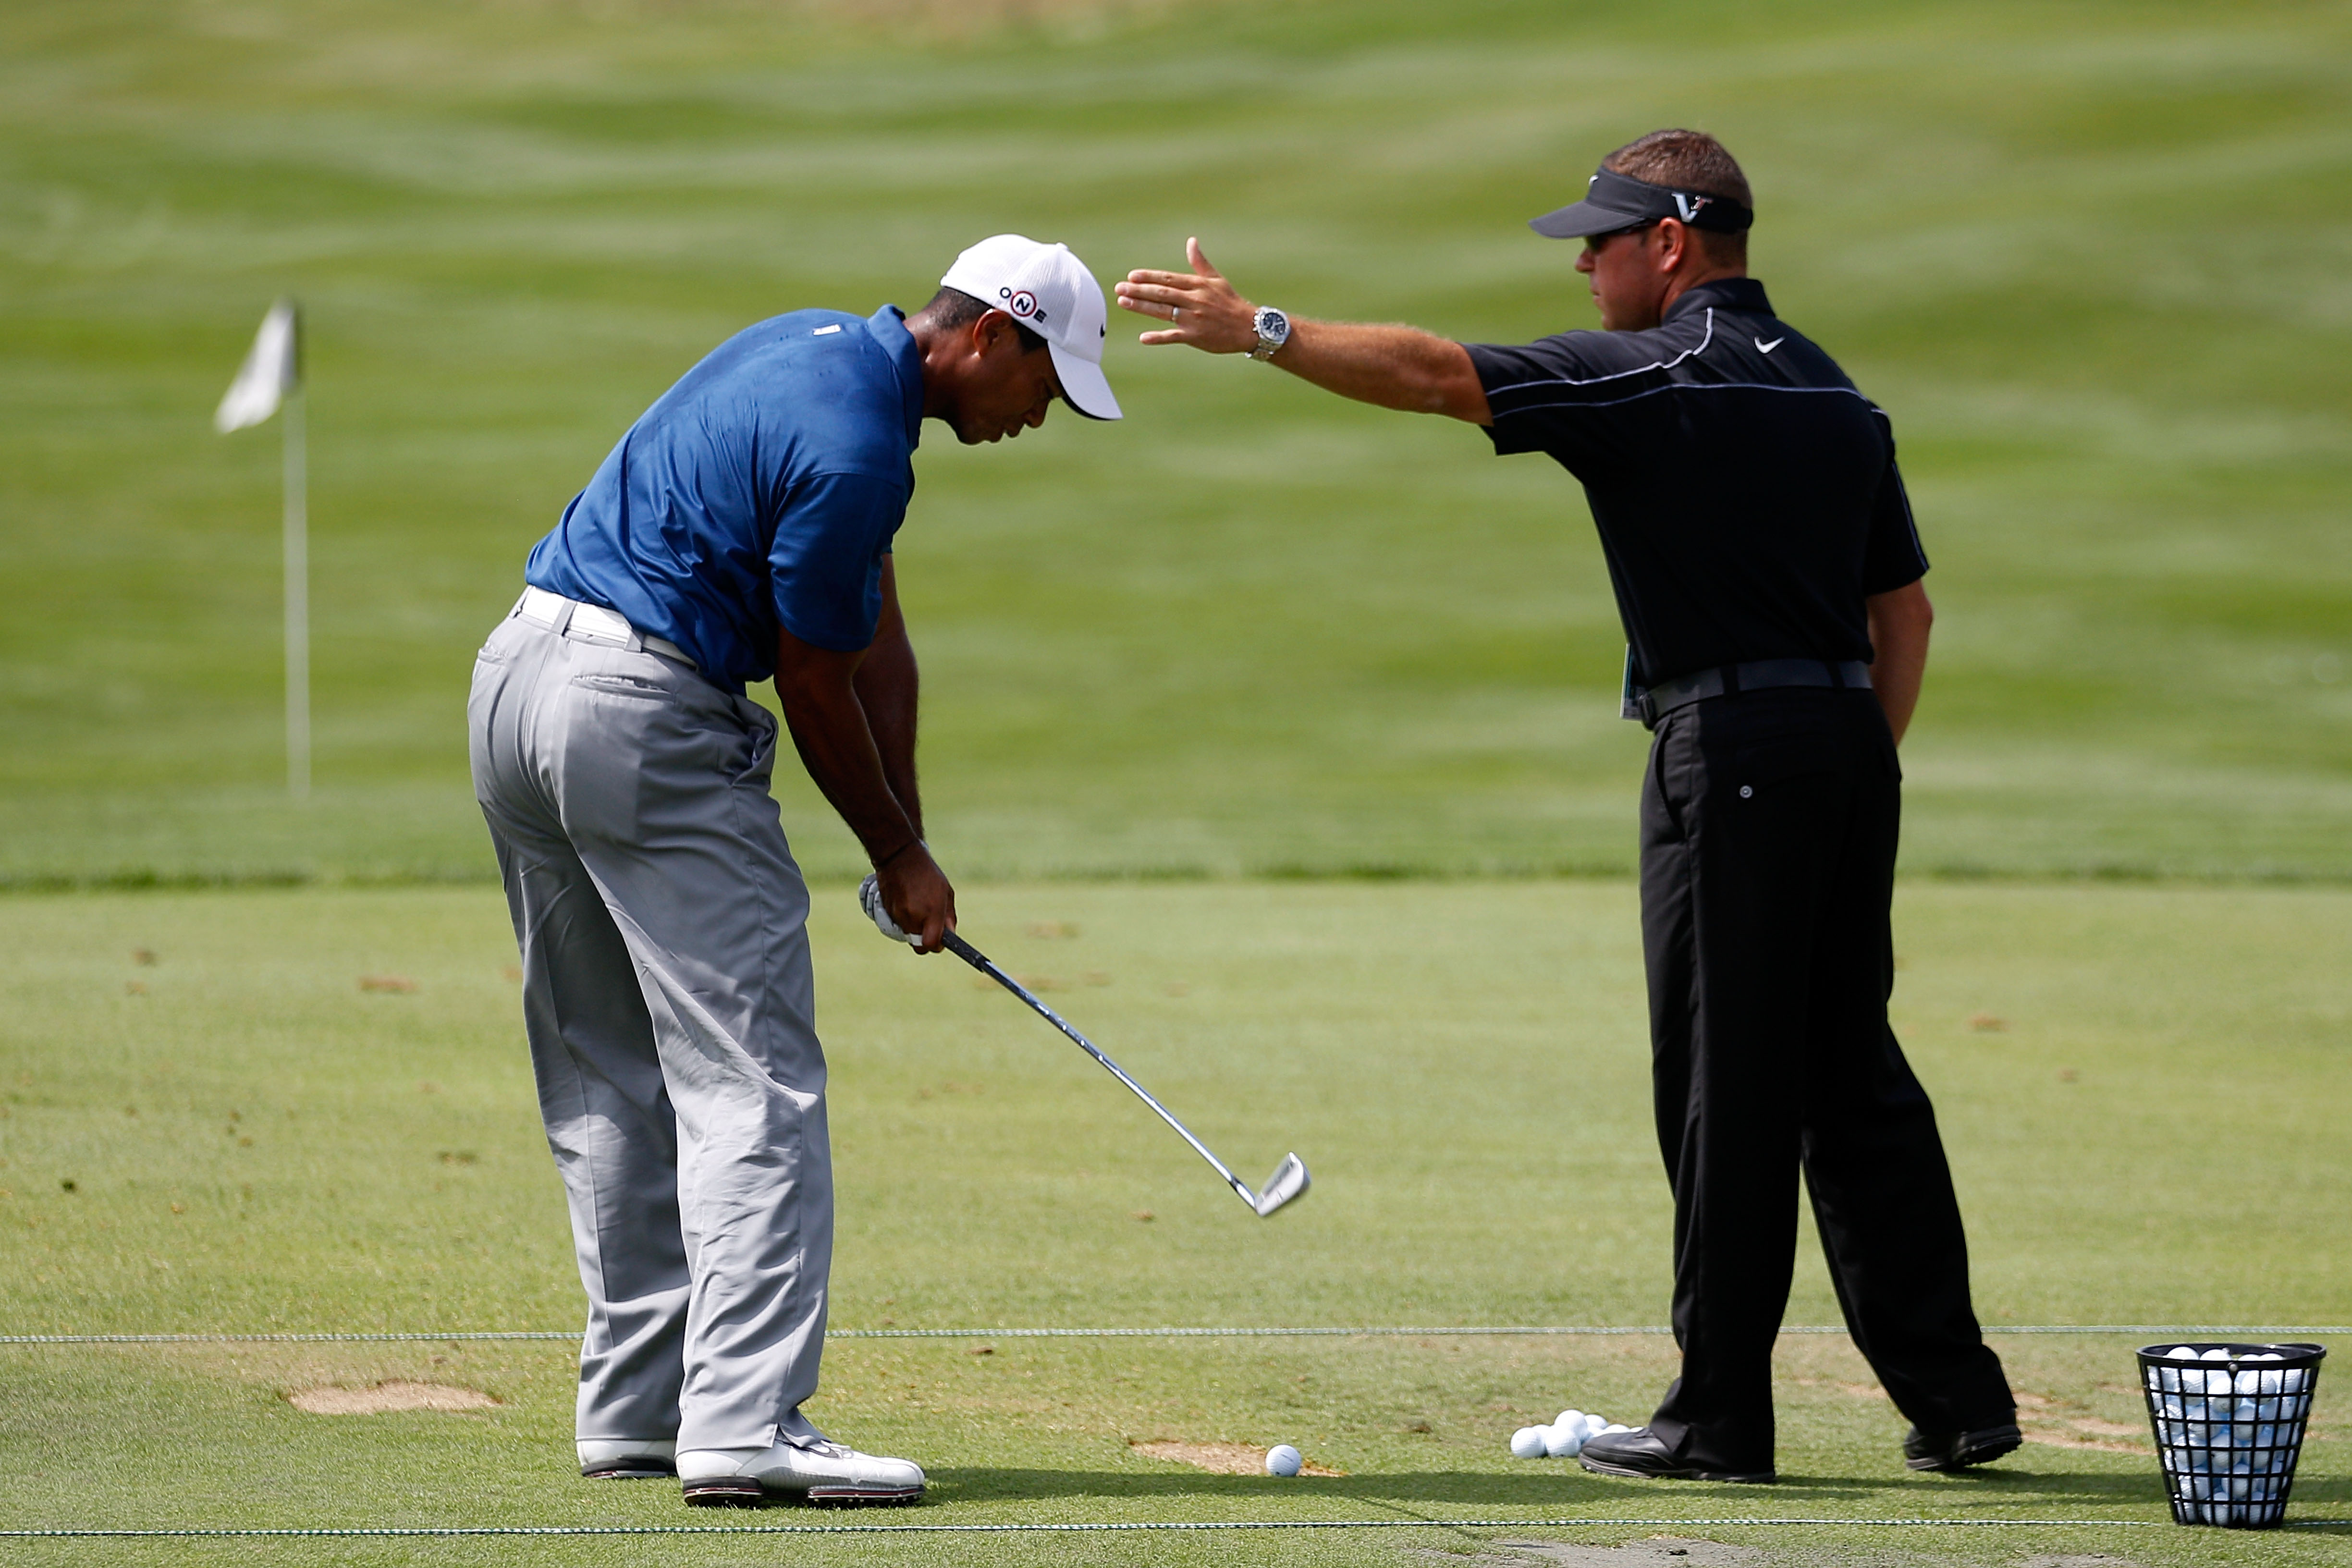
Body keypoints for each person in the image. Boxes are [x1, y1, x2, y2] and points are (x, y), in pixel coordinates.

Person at [1114, 130, 2018, 1484]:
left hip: (1734, 751)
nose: (1584, 264)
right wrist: (1851, 768)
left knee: (1727, 1084)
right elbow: (1909, 614)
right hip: (1842, 750)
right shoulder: (1835, 392)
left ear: (1673, 242)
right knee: (1851, 1073)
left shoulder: (1656, 370)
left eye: (1602, 240)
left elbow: (1440, 377)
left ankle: (1719, 1417)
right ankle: (1958, 1396)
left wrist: (1264, 330)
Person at [468, 234, 1122, 1507]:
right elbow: (814, 681)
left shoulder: (819, 354)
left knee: (606, 1063)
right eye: (1046, 384)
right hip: (638, 715)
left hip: (515, 682)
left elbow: (871, 636)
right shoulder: (863, 447)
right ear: (991, 336)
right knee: (752, 1077)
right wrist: (894, 852)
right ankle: (745, 1418)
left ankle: (639, 1410)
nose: (1042, 415)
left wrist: (911, 840)